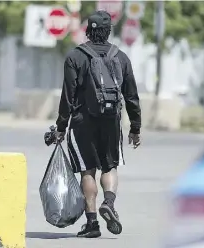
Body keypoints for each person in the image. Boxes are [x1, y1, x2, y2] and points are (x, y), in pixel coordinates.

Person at [55, 10, 141, 238]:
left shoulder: (75, 56)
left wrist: (61, 127)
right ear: (108, 31)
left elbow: (67, 96)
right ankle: (109, 203)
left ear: (88, 31)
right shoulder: (121, 57)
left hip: (83, 123)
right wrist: (135, 128)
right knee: (109, 166)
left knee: (87, 171)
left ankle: (92, 223)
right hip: (111, 121)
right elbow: (131, 96)